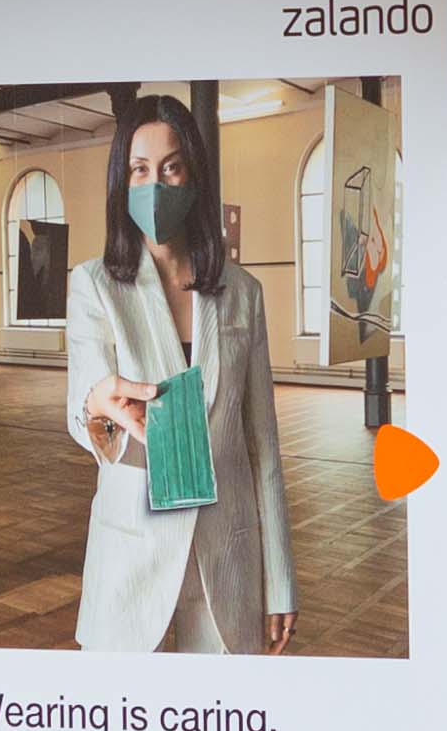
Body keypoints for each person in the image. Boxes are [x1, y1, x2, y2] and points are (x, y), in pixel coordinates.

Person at [61, 90, 294, 654]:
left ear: (194, 177)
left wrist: (280, 579)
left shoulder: (243, 293)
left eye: (171, 168)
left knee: (224, 709)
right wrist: (99, 409)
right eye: (139, 170)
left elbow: (263, 444)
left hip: (227, 559)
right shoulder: (94, 285)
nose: (155, 185)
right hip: (132, 558)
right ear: (122, 182)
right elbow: (85, 405)